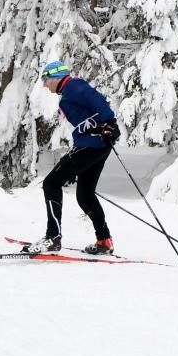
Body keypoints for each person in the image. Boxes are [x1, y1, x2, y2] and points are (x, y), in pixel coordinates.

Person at [23, 61, 120, 255]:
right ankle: (104, 241)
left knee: (51, 183)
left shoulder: (73, 86)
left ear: (56, 77)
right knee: (85, 196)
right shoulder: (68, 92)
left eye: (46, 79)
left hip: (90, 145)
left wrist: (110, 123)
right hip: (97, 146)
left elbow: (98, 101)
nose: (44, 84)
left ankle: (52, 237)